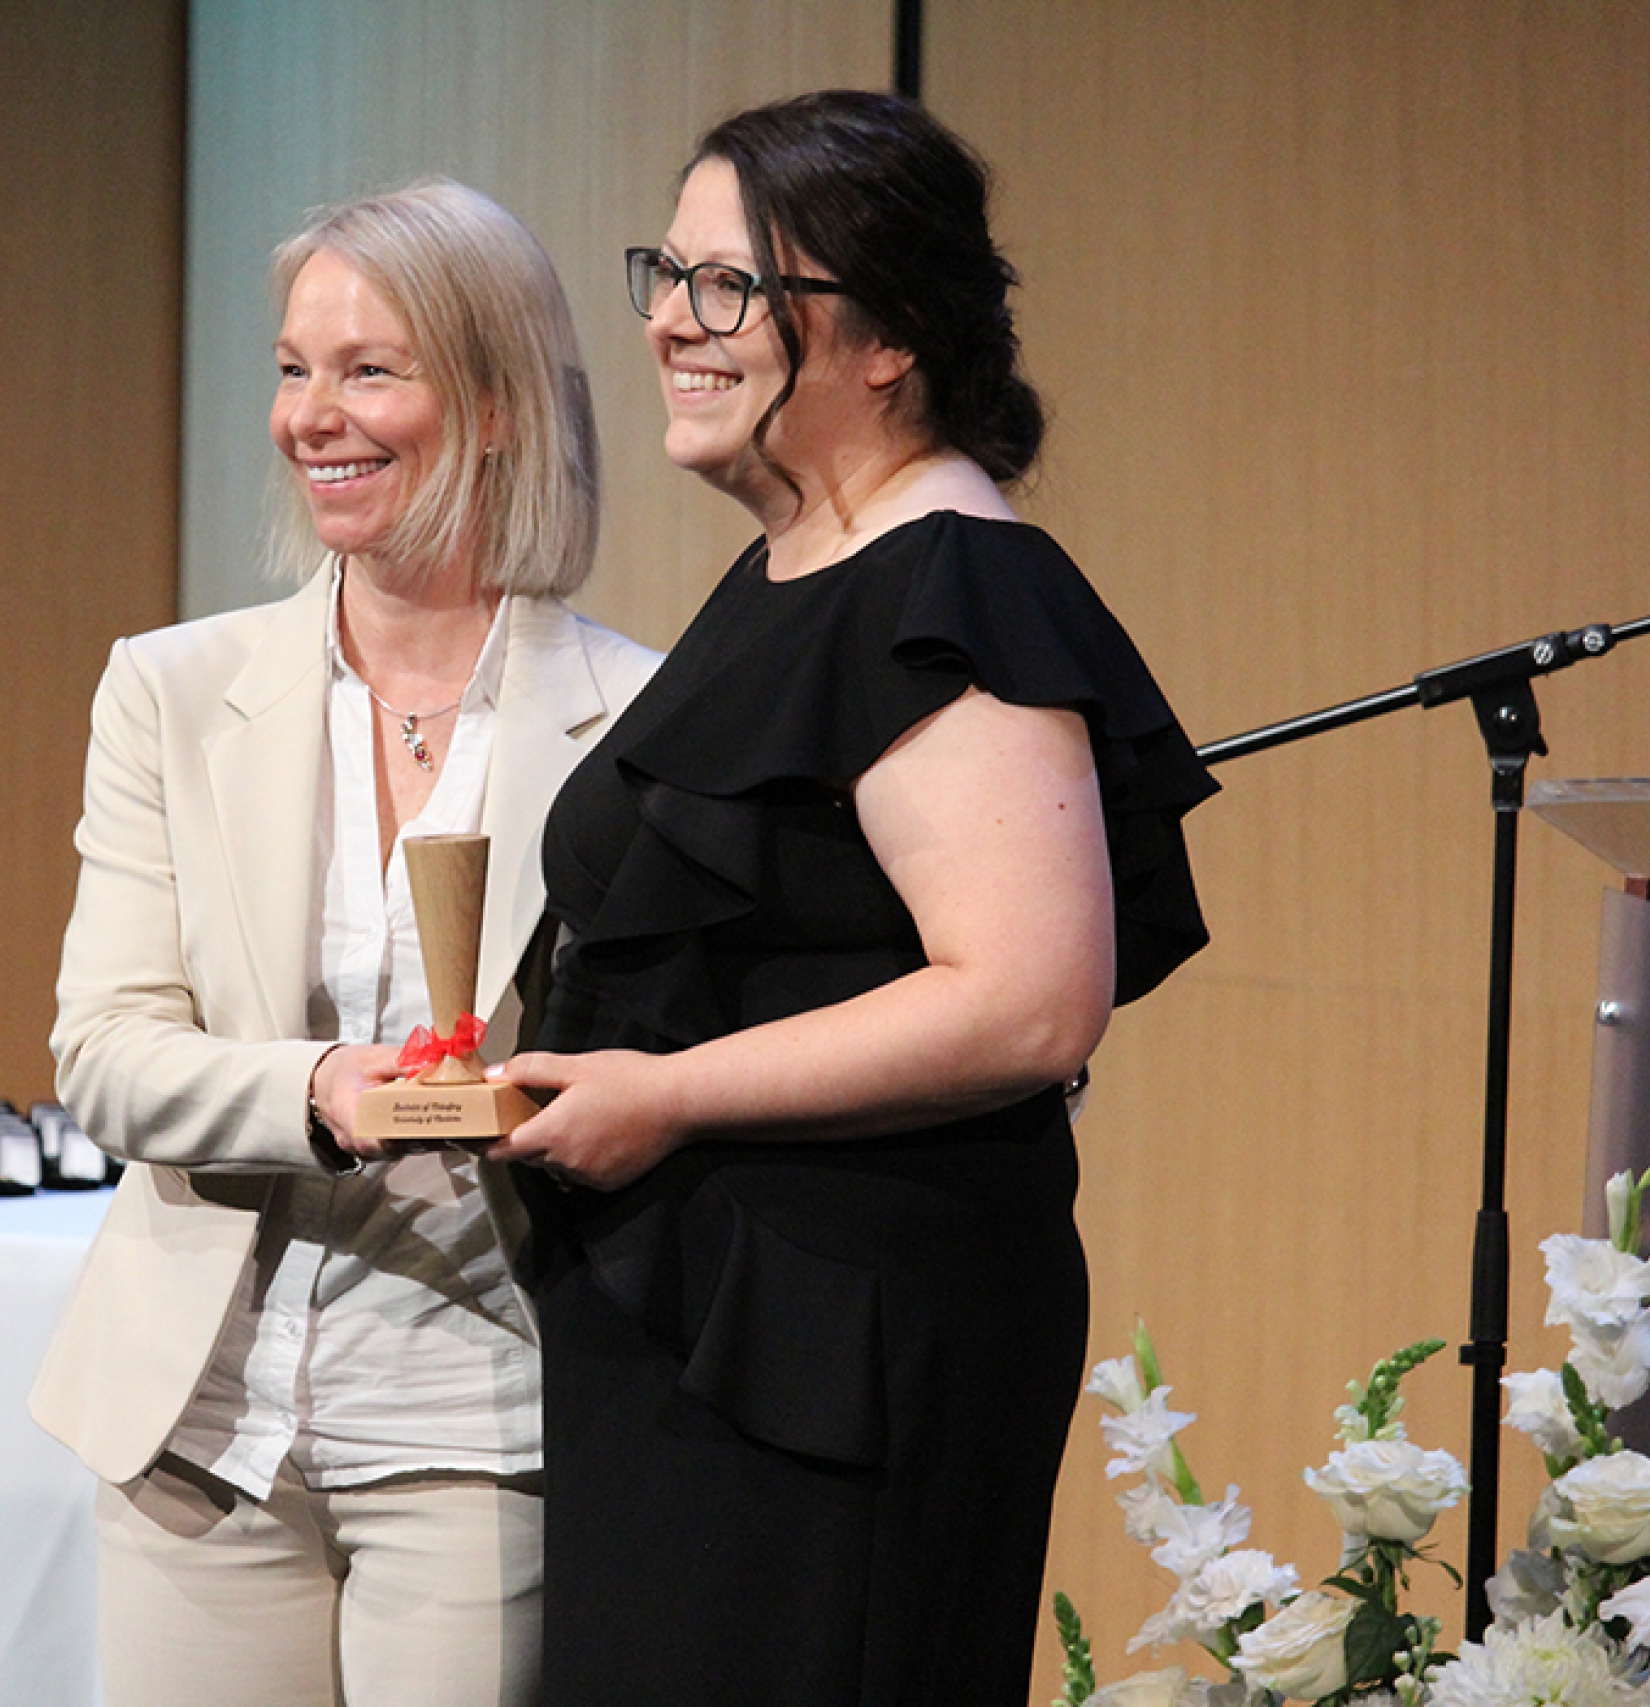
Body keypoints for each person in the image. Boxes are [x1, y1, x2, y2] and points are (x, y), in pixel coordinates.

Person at [491, 91, 1219, 1707]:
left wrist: (667, 1094)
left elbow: (1029, 997)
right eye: (666, 274)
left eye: (731, 287)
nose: (675, 323)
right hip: (720, 1334)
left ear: (886, 336)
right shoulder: (798, 563)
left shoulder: (949, 577)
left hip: (837, 1353)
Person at [28, 181, 659, 1707]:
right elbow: (103, 1058)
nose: (314, 415)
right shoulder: (171, 690)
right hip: (201, 1431)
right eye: (294, 368)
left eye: (371, 370)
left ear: (498, 404)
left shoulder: (642, 719)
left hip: (478, 1425)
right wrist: (328, 1093)